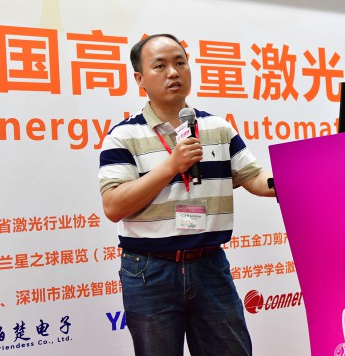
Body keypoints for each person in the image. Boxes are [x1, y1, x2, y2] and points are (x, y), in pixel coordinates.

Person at [98, 33, 275, 356]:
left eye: (180, 63)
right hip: (149, 270)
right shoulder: (123, 136)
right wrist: (171, 166)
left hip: (209, 264)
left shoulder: (217, 128)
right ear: (139, 79)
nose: (173, 72)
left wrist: (296, 181)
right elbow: (113, 205)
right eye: (160, 66)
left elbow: (255, 178)